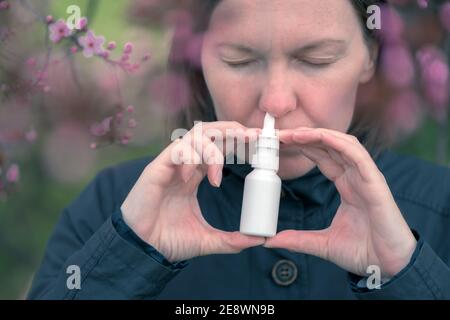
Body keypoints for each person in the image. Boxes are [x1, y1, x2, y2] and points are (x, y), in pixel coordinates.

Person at [28, 0, 450, 299]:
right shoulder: (115, 204)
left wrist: (406, 275)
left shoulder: (439, 206)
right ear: (196, 59)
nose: (276, 101)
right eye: (239, 60)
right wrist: (128, 258)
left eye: (317, 60)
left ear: (371, 56)